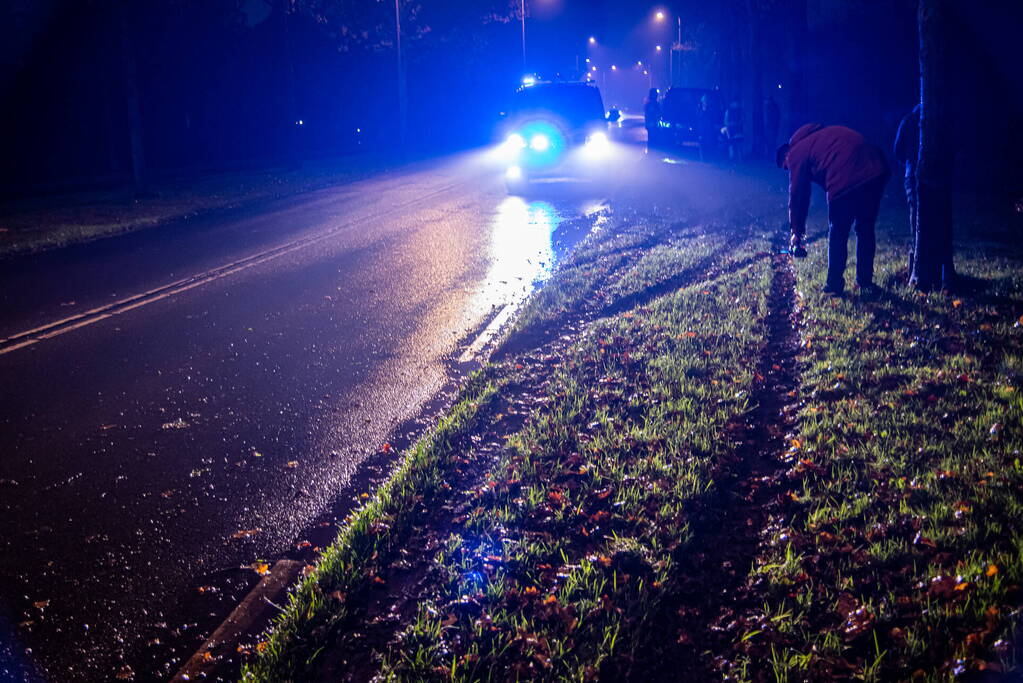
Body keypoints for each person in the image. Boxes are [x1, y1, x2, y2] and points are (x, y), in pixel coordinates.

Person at [776, 123, 890, 294]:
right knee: (865, 229)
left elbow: (798, 195)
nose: (790, 169)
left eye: (787, 168)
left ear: (786, 155)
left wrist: (796, 233)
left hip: (845, 178)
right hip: (874, 170)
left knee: (838, 232)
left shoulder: (795, 152)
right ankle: (865, 283)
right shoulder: (818, 136)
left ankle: (834, 285)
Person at [894, 104, 921, 270]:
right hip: (934, 172)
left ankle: (917, 244)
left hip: (912, 172)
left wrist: (908, 162)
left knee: (915, 211)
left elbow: (898, 149)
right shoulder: (936, 120)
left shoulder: (908, 120)